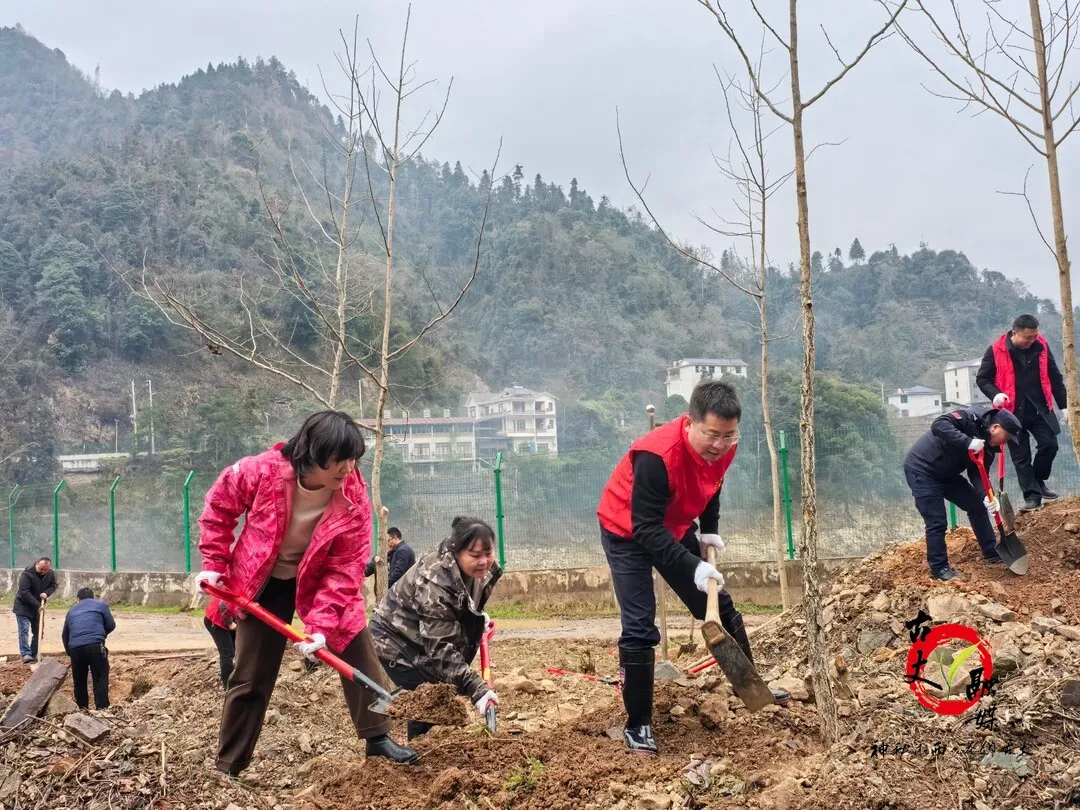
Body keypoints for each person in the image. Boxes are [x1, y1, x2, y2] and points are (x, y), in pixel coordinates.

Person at [193, 410, 418, 776]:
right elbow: (219, 508)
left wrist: (323, 624)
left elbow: (346, 565)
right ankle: (230, 763)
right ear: (313, 453)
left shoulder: (354, 495)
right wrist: (214, 561)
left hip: (321, 578)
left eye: (354, 459)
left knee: (358, 650)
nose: (348, 468)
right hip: (263, 580)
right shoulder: (260, 472)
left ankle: (377, 739)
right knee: (251, 672)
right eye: (340, 459)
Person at [595, 380, 787, 756]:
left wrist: (709, 530)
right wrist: (692, 566)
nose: (720, 444)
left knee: (720, 607)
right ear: (691, 423)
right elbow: (645, 528)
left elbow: (711, 486)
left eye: (728, 436)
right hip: (626, 530)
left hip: (671, 526)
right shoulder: (656, 455)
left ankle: (750, 686)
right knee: (639, 627)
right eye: (712, 435)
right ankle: (638, 725)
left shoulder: (724, 449)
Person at [370, 516, 501, 741]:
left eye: (488, 553)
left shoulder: (468, 569)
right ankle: (420, 754)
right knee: (430, 695)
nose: (484, 561)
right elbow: (439, 649)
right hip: (393, 641)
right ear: (457, 551)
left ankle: (424, 750)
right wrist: (476, 687)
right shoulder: (435, 583)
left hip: (419, 635)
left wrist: (476, 618)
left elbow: (460, 601)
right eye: (475, 555)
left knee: (437, 689)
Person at [903, 405, 1023, 581]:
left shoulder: (988, 447)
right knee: (936, 521)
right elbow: (939, 425)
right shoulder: (969, 418)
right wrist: (968, 442)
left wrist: (987, 497)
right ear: (996, 427)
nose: (1005, 443)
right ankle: (939, 569)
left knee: (976, 506)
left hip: (947, 475)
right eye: (1006, 437)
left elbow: (978, 473)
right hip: (922, 471)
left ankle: (991, 552)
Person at [976, 314, 1069, 512]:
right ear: (1014, 333)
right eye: (1028, 337)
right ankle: (1032, 496)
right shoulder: (996, 350)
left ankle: (1039, 481)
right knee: (1021, 456)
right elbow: (983, 379)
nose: (1032, 340)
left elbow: (1054, 375)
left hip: (1039, 407)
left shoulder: (1041, 346)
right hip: (1011, 413)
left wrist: (1064, 405)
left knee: (1049, 445)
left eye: (1035, 335)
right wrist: (995, 395)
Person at [61, 587, 116, 710]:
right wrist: (100, 636)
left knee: (79, 681)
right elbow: (111, 625)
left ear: (77, 599)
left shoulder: (71, 610)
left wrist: (70, 653)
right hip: (96, 646)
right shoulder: (101, 605)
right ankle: (102, 708)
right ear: (93, 597)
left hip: (75, 648)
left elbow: (65, 635)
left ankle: (82, 709)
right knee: (100, 677)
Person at [12, 557, 57, 664]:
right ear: (36, 564)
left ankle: (34, 653)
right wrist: (37, 605)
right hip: (23, 606)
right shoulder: (27, 575)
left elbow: (53, 585)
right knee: (24, 630)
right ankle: (26, 654)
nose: (44, 572)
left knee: (38, 631)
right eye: (42, 569)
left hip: (38, 608)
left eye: (46, 569)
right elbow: (24, 592)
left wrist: (46, 593)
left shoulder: (50, 573)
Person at [364, 527, 416, 591]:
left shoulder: (403, 550)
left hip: (403, 591)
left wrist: (385, 586)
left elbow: (398, 573)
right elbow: (379, 560)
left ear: (395, 538)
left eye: (388, 541)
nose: (387, 544)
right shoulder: (395, 550)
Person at [203, 599, 237, 688]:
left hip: (227, 615)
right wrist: (230, 623)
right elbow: (223, 603)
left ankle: (233, 676)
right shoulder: (246, 588)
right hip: (216, 619)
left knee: (235, 648)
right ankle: (228, 686)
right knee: (227, 653)